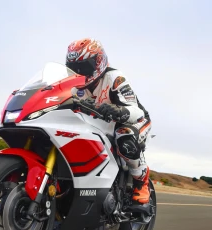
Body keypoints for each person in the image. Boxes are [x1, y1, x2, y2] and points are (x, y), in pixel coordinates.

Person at [65, 38, 152, 204]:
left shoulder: (115, 78)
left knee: (124, 135)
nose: (80, 72)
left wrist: (118, 110)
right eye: (74, 68)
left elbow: (136, 111)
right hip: (103, 123)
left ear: (99, 62)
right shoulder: (74, 87)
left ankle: (141, 182)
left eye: (84, 67)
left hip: (135, 121)